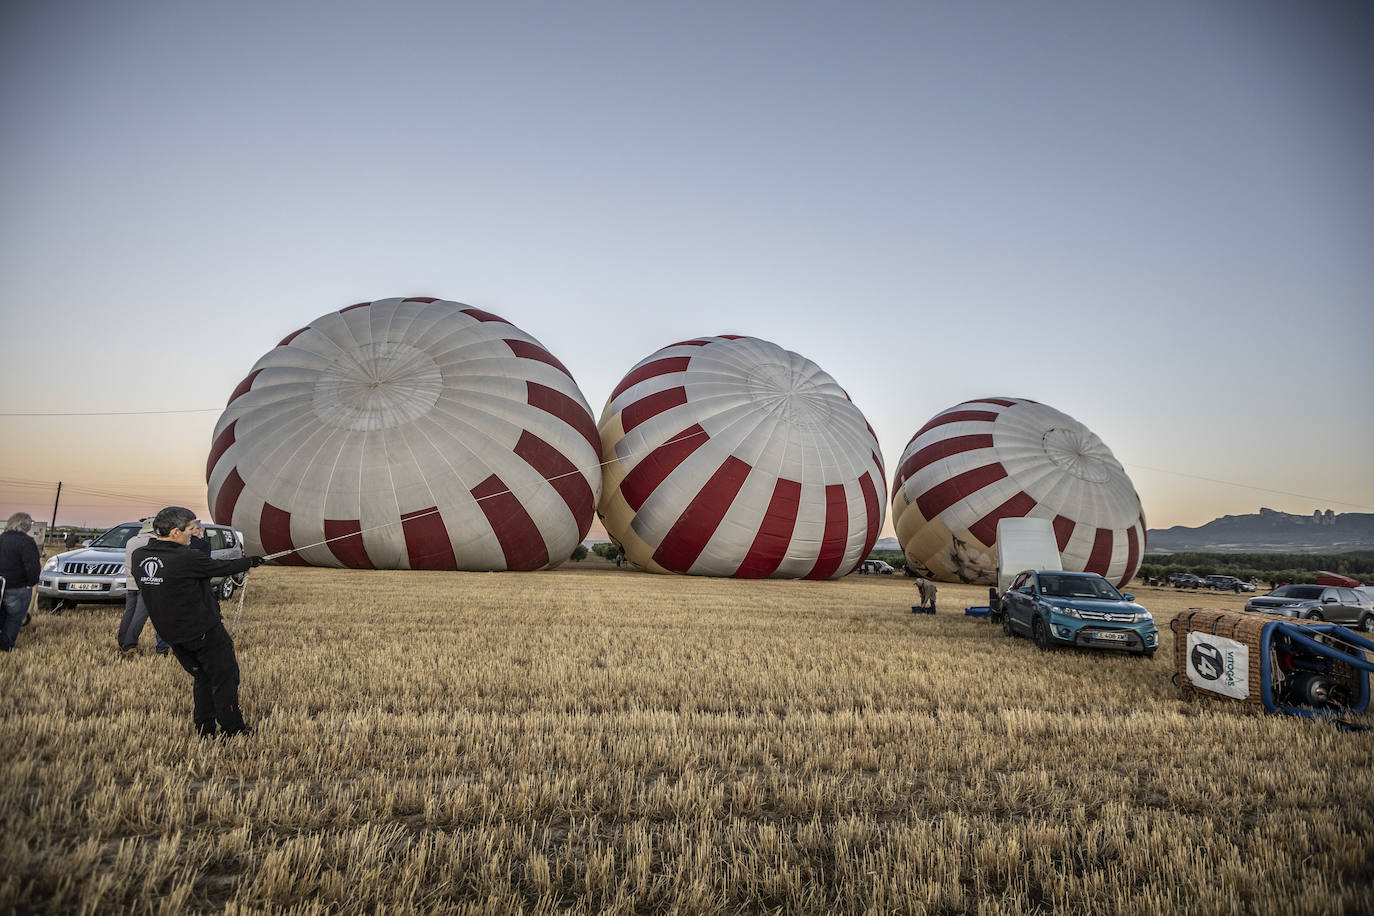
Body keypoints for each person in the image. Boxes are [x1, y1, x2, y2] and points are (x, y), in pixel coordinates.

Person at [133, 506, 264, 738]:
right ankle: (233, 729)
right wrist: (250, 562)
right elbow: (221, 568)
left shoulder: (140, 557)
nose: (194, 533)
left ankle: (205, 728)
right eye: (191, 529)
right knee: (226, 676)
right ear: (175, 532)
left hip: (172, 634)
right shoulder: (186, 557)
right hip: (203, 631)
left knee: (202, 677)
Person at [117, 518, 170, 657]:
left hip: (130, 582)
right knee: (140, 616)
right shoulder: (153, 543)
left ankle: (122, 641)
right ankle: (130, 645)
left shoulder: (131, 541)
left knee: (129, 613)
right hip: (146, 583)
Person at [1, 512, 42, 651]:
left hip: (0, 585)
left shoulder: (1, 539)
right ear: (27, 525)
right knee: (14, 618)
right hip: (17, 588)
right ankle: (5, 647)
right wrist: (31, 583)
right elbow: (33, 567)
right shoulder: (27, 542)